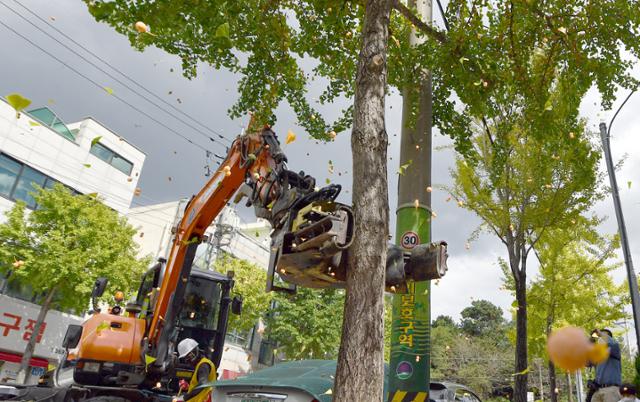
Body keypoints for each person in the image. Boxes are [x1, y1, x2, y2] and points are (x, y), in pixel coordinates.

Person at [173, 338, 216, 402]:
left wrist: (184, 398)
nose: (187, 361)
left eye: (188, 358)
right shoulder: (201, 364)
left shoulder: (203, 365)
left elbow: (202, 384)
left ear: (193, 354)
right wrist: (188, 386)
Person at [592, 329, 622, 402]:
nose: (600, 337)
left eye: (603, 335)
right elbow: (587, 363)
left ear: (609, 338)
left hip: (611, 389)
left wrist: (600, 333)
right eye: (599, 336)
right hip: (598, 390)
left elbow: (612, 342)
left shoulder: (615, 348)